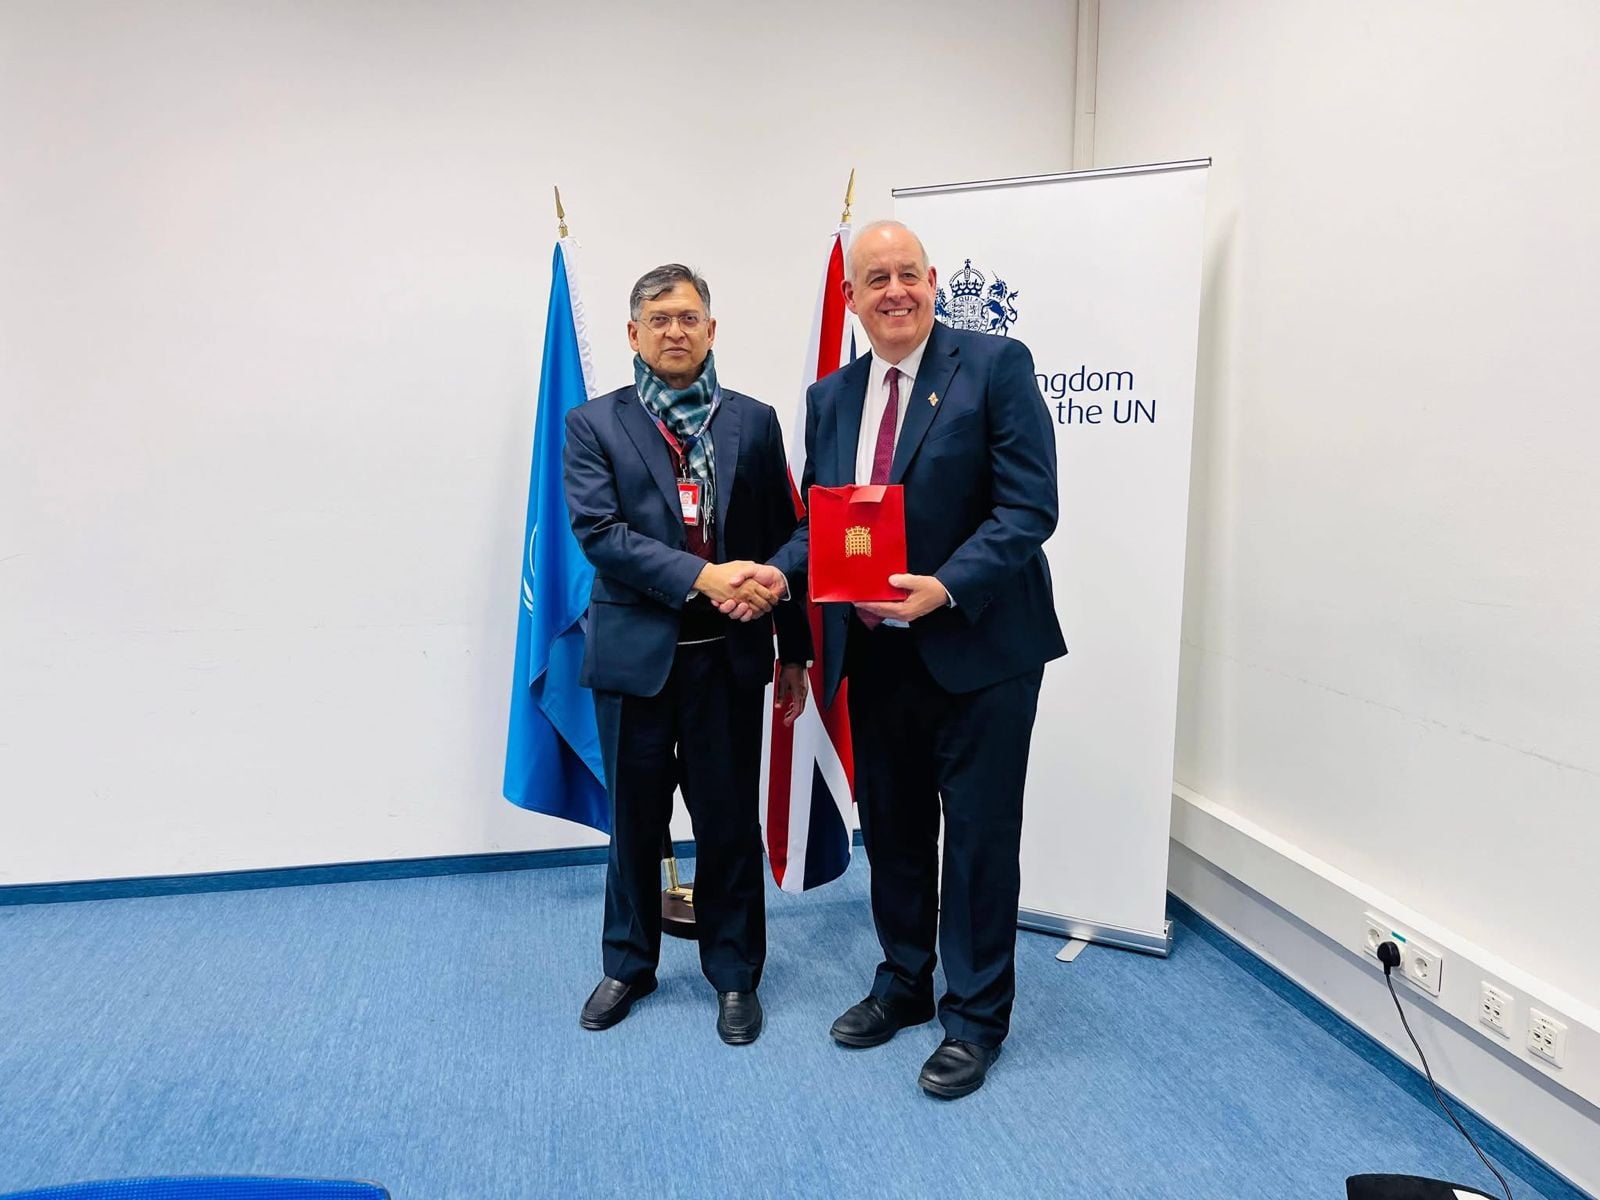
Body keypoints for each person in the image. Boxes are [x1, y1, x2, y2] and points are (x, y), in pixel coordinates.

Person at [744, 220, 1065, 1096]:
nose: (895, 291)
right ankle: (904, 981)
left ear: (932, 281)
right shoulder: (831, 396)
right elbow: (825, 521)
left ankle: (975, 1018)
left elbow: (1028, 508)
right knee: (893, 831)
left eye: (908, 274)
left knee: (979, 842)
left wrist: (945, 587)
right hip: (878, 657)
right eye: (875, 278)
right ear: (850, 298)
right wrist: (775, 574)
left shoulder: (995, 366)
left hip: (980, 651)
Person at [563, 263, 810, 1045]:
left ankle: (735, 974)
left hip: (727, 662)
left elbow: (785, 534)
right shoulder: (593, 424)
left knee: (728, 824)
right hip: (634, 662)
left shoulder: (753, 422)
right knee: (634, 823)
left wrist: (793, 646)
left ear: (711, 329)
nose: (676, 330)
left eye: (689, 317)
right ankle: (628, 964)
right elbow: (601, 535)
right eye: (660, 318)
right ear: (634, 334)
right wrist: (704, 576)